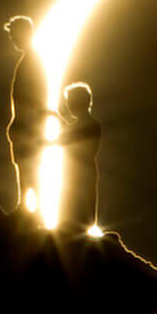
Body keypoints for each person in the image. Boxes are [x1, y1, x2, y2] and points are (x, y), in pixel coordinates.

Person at [4, 16, 48, 213]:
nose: (13, 39)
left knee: (29, 167)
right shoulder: (31, 61)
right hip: (26, 125)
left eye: (14, 35)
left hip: (28, 127)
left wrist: (27, 124)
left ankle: (31, 210)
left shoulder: (32, 62)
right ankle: (26, 206)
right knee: (25, 166)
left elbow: (35, 97)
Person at [54, 82, 102, 232]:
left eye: (70, 102)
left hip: (78, 179)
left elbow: (66, 139)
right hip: (79, 177)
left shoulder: (90, 126)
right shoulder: (92, 125)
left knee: (74, 220)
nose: (68, 106)